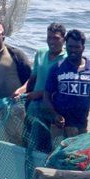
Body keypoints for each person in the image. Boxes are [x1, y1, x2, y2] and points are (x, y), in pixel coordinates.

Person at [44, 28, 90, 139]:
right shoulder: (57, 68)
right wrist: (54, 115)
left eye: (77, 47)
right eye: (70, 47)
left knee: (76, 154)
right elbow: (46, 97)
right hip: (58, 125)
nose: (73, 50)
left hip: (80, 125)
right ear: (66, 46)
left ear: (83, 48)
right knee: (57, 153)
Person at [20, 22, 67, 151]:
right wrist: (22, 92)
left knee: (49, 146)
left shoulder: (67, 58)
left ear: (64, 39)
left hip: (54, 108)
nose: (52, 41)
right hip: (34, 106)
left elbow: (62, 87)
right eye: (49, 37)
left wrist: (39, 94)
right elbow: (33, 77)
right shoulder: (41, 53)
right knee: (29, 142)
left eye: (56, 38)